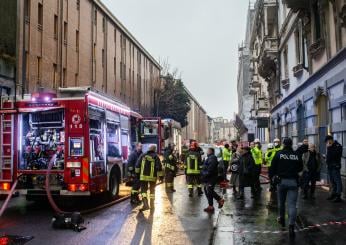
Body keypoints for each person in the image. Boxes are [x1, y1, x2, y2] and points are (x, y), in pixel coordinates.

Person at [271, 138, 303, 238]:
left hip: (281, 181)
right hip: (293, 182)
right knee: (292, 205)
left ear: (283, 144)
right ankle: (291, 226)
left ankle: (281, 218)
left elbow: (272, 167)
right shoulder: (296, 155)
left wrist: (273, 179)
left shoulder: (279, 154)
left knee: (281, 202)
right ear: (291, 144)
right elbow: (300, 168)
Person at [135, 144, 163, 211]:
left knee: (143, 191)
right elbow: (159, 167)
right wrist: (161, 177)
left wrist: (137, 175)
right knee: (152, 191)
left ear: (148, 149)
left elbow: (137, 165)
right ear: (154, 149)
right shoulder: (156, 156)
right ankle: (152, 205)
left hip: (143, 177)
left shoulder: (143, 155)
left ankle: (145, 205)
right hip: (152, 178)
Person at [202, 148, 225, 213]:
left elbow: (210, 169)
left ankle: (220, 199)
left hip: (211, 177)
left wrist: (205, 174)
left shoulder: (212, 158)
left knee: (209, 190)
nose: (207, 152)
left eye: (208, 151)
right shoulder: (209, 157)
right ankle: (210, 206)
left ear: (211, 151)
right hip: (209, 177)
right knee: (207, 190)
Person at [325, 135, 343, 203]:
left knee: (337, 181)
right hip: (330, 166)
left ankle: (338, 196)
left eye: (327, 141)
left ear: (331, 140)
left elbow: (334, 156)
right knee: (332, 181)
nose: (327, 143)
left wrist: (329, 149)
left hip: (335, 166)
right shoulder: (330, 146)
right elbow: (329, 157)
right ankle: (334, 194)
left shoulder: (338, 146)